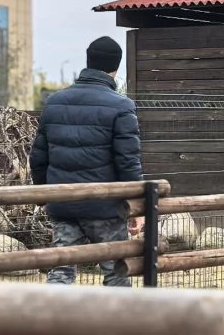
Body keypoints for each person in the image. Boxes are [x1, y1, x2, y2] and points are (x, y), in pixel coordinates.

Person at [29, 36, 143, 286]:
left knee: (61, 271)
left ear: (88, 61)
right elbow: (127, 161)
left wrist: (44, 198)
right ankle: (116, 325)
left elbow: (38, 156)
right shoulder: (122, 106)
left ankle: (51, 324)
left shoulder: (55, 102)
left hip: (64, 202)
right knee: (116, 272)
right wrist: (137, 205)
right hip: (106, 209)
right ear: (116, 67)